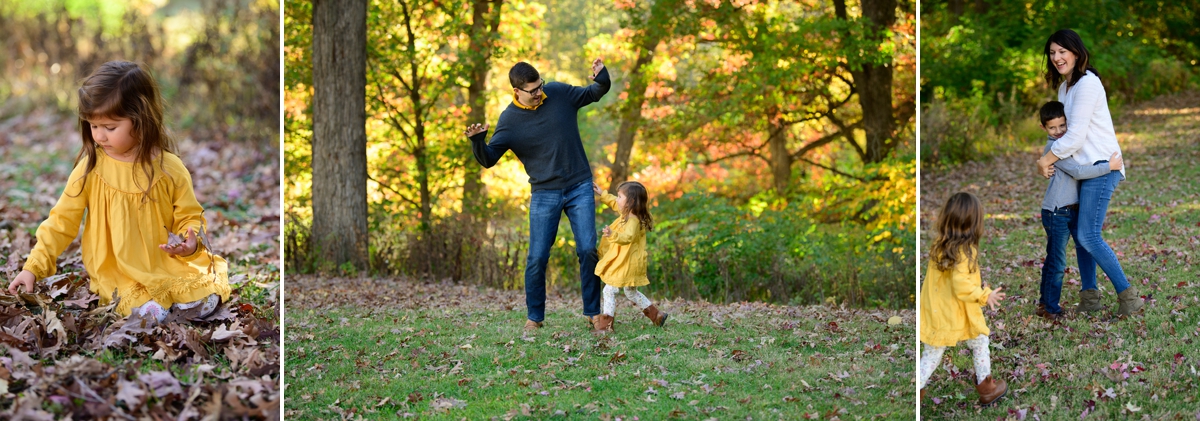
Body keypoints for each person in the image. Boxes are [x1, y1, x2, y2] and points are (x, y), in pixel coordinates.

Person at [6, 60, 230, 322]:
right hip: (116, 269)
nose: (100, 136)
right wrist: (34, 267)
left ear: (141, 120)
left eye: (110, 128)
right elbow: (61, 221)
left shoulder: (169, 168)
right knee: (145, 306)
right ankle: (156, 307)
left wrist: (189, 241)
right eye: (93, 126)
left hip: (162, 261)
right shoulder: (91, 168)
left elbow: (189, 214)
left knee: (202, 288)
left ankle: (180, 303)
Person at [464, 59, 610, 331]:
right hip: (545, 192)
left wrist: (602, 77)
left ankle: (593, 312)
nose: (539, 93)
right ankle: (535, 317)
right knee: (538, 257)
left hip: (579, 185)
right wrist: (477, 142)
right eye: (532, 90)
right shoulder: (509, 120)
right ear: (516, 91)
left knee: (588, 249)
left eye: (540, 86)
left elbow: (595, 92)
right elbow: (488, 159)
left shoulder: (558, 93)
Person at [1034, 29, 1140, 316]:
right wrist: (1050, 154)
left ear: (1076, 53)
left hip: (1103, 166)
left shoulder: (1088, 84)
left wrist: (1046, 159)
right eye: (1052, 53)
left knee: (1088, 235)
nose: (1057, 57)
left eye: (1062, 51)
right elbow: (1062, 135)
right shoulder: (1065, 88)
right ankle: (1090, 299)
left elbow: (1076, 136)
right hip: (1084, 170)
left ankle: (1129, 297)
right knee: (1082, 236)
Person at [1034, 101, 1123, 320]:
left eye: (1062, 125)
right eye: (1053, 128)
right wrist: (1108, 167)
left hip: (1070, 210)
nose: (1059, 131)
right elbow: (1078, 172)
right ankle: (1051, 309)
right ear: (1044, 128)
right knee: (1057, 262)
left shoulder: (1067, 145)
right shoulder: (1054, 149)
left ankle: (1045, 303)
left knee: (1061, 256)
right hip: (1057, 212)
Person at [919, 192, 1008, 406]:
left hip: (941, 310)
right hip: (955, 311)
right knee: (966, 345)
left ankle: (986, 386)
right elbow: (961, 285)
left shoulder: (941, 245)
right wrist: (985, 295)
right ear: (973, 223)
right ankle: (986, 388)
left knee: (971, 342)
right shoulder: (964, 251)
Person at [589, 181, 666, 332]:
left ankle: (605, 326)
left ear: (630, 202)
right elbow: (614, 203)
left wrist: (613, 234)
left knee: (609, 290)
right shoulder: (628, 214)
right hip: (629, 262)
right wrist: (602, 193)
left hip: (626, 263)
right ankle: (657, 316)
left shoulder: (633, 221)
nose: (617, 200)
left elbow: (628, 237)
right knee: (630, 292)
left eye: (619, 196)